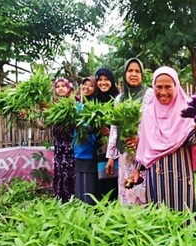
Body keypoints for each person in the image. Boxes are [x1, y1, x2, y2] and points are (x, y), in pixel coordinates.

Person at [130, 66, 196, 220]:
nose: (163, 92)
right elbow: (144, 145)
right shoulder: (149, 113)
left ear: (176, 87)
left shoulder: (186, 110)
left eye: (168, 87)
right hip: (155, 178)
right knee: (159, 220)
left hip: (180, 176)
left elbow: (192, 140)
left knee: (183, 220)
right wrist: (137, 170)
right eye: (159, 87)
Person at [105, 58, 153, 205]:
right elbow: (115, 128)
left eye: (137, 71)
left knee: (143, 191)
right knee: (126, 190)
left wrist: (140, 140)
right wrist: (111, 157)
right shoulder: (119, 99)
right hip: (124, 155)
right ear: (124, 74)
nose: (133, 74)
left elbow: (154, 123)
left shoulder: (150, 94)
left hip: (144, 153)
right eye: (130, 71)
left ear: (142, 75)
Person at [73, 70, 118, 204]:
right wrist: (98, 128)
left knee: (114, 183)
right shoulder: (94, 101)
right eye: (100, 80)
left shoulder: (118, 99)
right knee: (101, 186)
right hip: (98, 151)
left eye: (106, 79)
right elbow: (90, 125)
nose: (103, 83)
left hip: (116, 149)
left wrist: (110, 131)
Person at [49, 77, 76, 202]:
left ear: (68, 88)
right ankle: (61, 198)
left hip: (72, 146)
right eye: (58, 86)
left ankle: (74, 198)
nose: (60, 88)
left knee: (72, 171)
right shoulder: (51, 106)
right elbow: (42, 125)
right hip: (59, 146)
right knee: (60, 171)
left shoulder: (75, 103)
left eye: (63, 86)